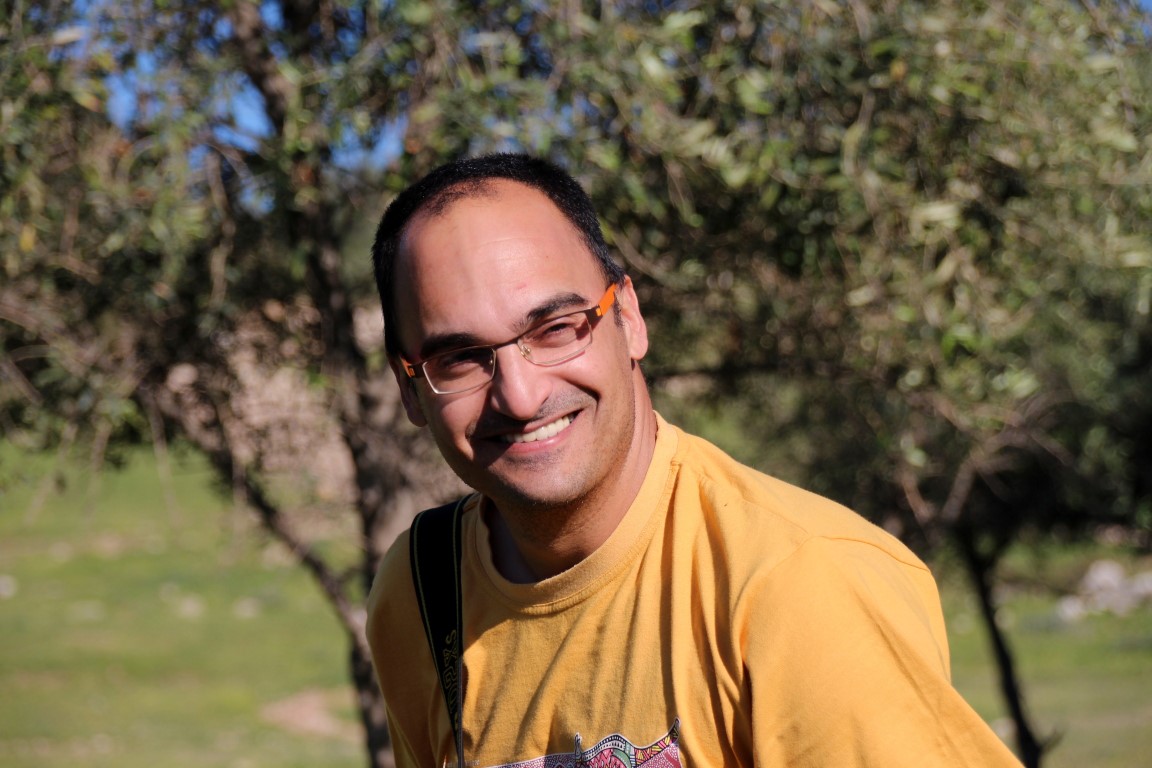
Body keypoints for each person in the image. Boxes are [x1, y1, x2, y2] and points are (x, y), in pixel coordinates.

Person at [366, 153, 1022, 768]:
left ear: (629, 318)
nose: (520, 394)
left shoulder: (798, 584)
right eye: (460, 358)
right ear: (410, 390)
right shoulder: (423, 591)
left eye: (556, 328)